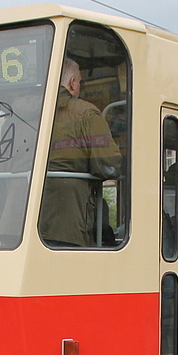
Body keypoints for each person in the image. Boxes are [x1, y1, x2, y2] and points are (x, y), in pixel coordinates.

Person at [38, 57, 121, 247]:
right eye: (80, 81)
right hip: (68, 218)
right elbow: (108, 165)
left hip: (16, 220)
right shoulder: (86, 113)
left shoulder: (26, 113)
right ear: (72, 83)